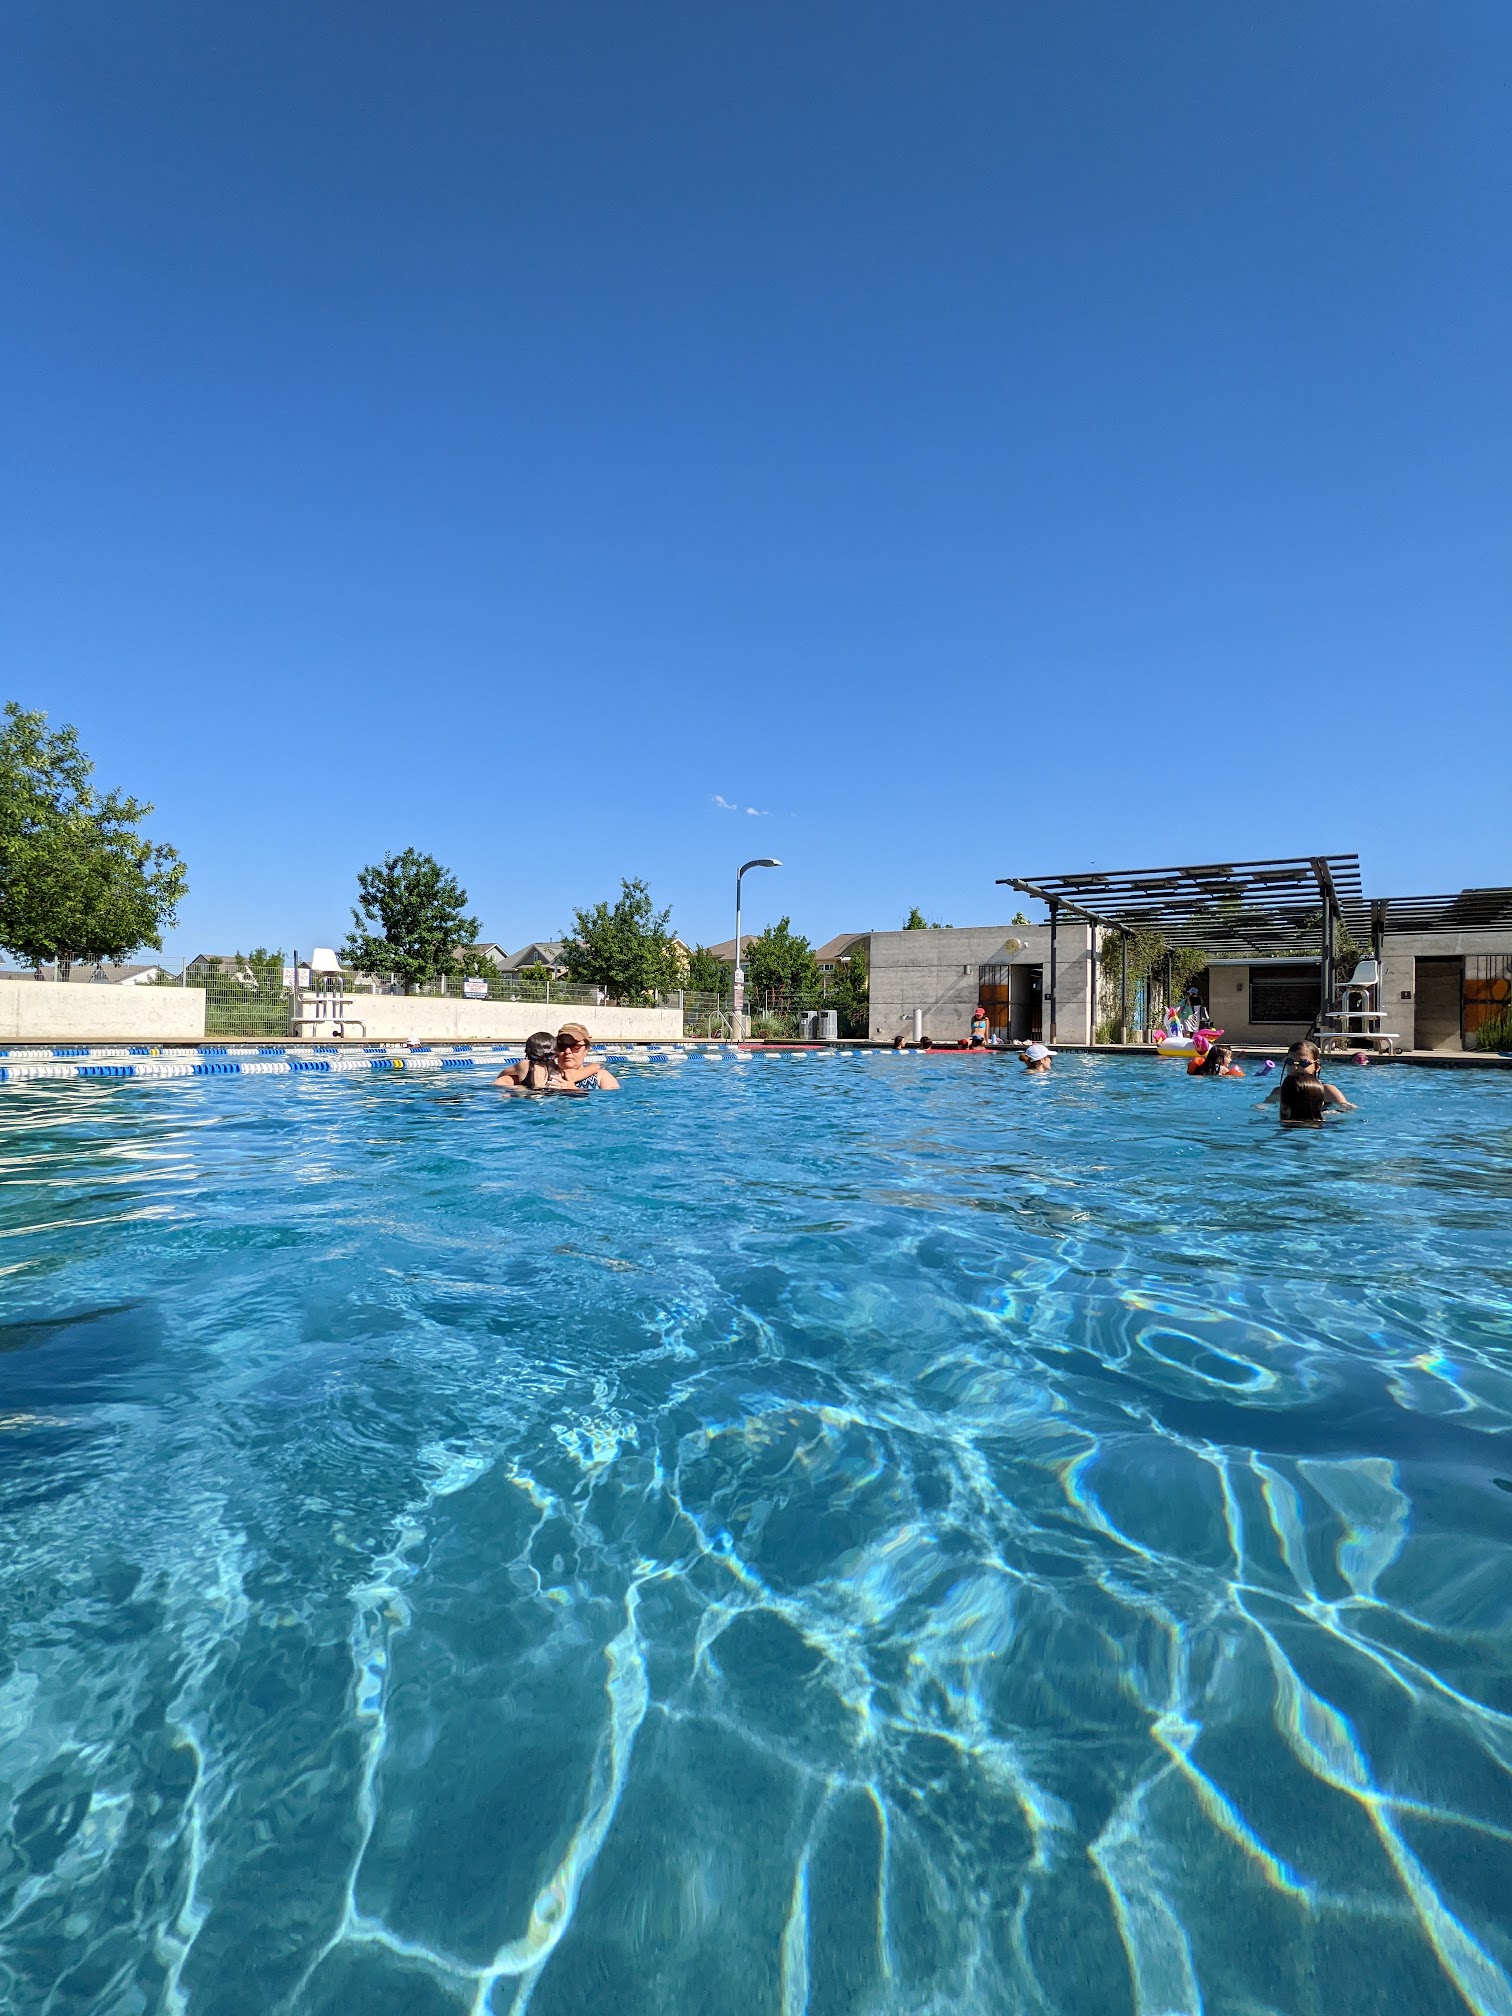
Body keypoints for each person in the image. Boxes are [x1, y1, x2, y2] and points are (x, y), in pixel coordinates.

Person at [1275, 1046, 1356, 1126]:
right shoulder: (1279, 1091)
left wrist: (1329, 1113)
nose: (1295, 1067)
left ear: (1316, 1066)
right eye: (1290, 1062)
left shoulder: (1327, 1090)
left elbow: (1348, 1109)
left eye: (1303, 1063)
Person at [494, 1031, 584, 1094]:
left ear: (527, 1051)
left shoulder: (525, 1065)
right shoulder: (560, 1073)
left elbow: (503, 1074)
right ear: (555, 1053)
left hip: (529, 1099)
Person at [551, 1021, 620, 1090]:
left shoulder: (601, 1077)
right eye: (562, 1046)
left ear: (587, 1049)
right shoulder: (547, 1074)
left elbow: (613, 1096)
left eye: (575, 1046)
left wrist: (574, 1091)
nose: (567, 1051)